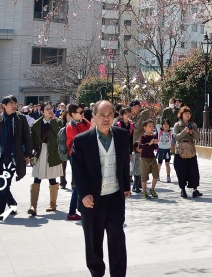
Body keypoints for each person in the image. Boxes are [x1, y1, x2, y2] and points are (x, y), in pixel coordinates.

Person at [70, 100, 131, 277]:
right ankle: (97, 274)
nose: (106, 119)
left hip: (114, 198)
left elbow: (124, 163)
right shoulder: (82, 141)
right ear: (94, 116)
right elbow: (77, 170)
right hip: (92, 200)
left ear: (114, 116)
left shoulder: (121, 135)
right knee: (93, 243)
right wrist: (84, 194)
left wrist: (126, 186)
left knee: (117, 239)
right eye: (102, 115)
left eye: (109, 114)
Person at [0, 95, 32, 221]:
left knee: (4, 184)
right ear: (4, 106)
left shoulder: (20, 119)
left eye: (15, 103)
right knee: (2, 185)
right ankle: (12, 204)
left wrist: (28, 154)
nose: (14, 105)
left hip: (13, 158)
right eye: (11, 103)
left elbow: (27, 137)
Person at [29, 101, 64, 215]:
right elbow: (33, 140)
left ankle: (52, 203)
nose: (50, 110)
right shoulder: (36, 124)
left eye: (51, 108)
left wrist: (53, 121)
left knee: (52, 178)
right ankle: (33, 205)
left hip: (53, 152)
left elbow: (60, 135)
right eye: (47, 109)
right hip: (41, 151)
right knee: (37, 177)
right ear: (42, 111)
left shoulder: (58, 122)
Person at [64, 104, 92, 221]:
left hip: (86, 156)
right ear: (72, 114)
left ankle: (82, 208)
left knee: (82, 183)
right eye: (80, 113)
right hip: (75, 157)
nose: (82, 114)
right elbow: (80, 140)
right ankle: (71, 212)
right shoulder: (70, 127)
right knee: (78, 184)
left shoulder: (84, 121)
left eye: (83, 112)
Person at [172, 106, 202, 198]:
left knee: (194, 171)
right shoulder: (177, 125)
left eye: (189, 113)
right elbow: (176, 137)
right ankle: (183, 190)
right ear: (181, 115)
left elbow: (198, 138)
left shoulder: (193, 124)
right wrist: (185, 131)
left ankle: (195, 189)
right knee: (181, 171)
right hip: (180, 152)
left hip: (191, 152)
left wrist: (192, 132)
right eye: (185, 113)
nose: (187, 115)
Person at [138, 120, 160, 198]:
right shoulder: (143, 137)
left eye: (152, 126)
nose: (152, 128)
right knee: (144, 176)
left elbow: (155, 148)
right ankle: (144, 192)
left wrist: (156, 143)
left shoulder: (154, 136)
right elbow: (140, 146)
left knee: (156, 175)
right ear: (145, 128)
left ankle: (152, 189)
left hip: (152, 158)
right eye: (149, 126)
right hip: (144, 158)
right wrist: (149, 143)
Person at [157, 119, 174, 183]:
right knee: (159, 164)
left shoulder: (170, 132)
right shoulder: (160, 131)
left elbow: (173, 128)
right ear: (162, 125)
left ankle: (168, 176)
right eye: (164, 124)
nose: (166, 125)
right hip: (160, 149)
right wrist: (161, 125)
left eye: (167, 124)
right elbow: (157, 125)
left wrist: (169, 128)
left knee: (167, 164)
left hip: (167, 150)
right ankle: (157, 175)